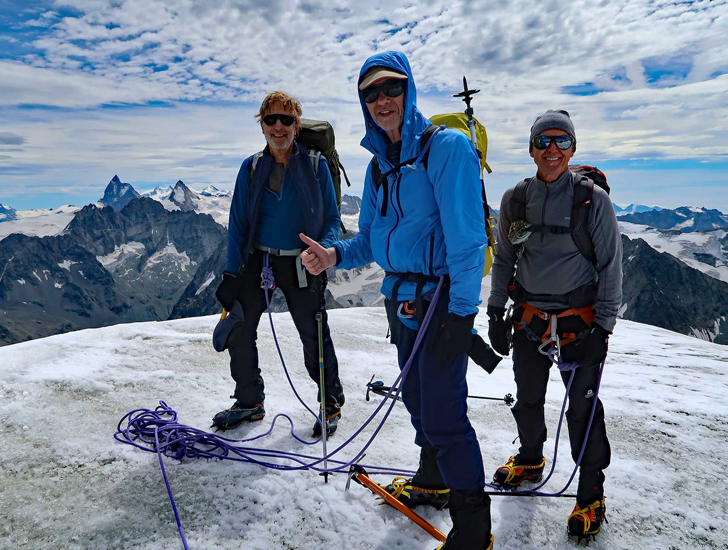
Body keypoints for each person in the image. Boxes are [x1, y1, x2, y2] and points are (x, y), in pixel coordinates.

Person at [300, 51, 493, 550]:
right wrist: (334, 255)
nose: (382, 100)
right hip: (402, 300)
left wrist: (461, 314)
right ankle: (433, 481)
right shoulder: (378, 165)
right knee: (417, 399)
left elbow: (468, 241)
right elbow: (371, 239)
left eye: (391, 88)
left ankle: (474, 531)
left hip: (440, 301)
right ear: (363, 104)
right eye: (371, 93)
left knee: (446, 414)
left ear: (409, 91)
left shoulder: (446, 148)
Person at [487, 109, 622, 542]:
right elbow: (505, 258)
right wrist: (494, 310)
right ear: (531, 149)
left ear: (573, 148)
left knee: (582, 410)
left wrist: (604, 327)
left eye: (562, 141)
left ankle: (590, 493)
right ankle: (530, 458)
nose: (552, 149)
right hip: (528, 320)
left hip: (579, 326)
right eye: (543, 141)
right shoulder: (515, 200)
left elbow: (611, 266)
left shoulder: (593, 202)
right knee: (528, 398)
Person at [213, 91, 345, 437]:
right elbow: (238, 223)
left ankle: (330, 402)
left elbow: (332, 220)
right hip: (259, 259)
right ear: (262, 125)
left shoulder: (315, 166)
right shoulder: (252, 167)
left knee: (313, 335)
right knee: (241, 327)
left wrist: (323, 250)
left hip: (302, 263)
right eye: (270, 119)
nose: (278, 126)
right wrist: (231, 273)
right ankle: (248, 401)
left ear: (296, 125)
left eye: (286, 120)